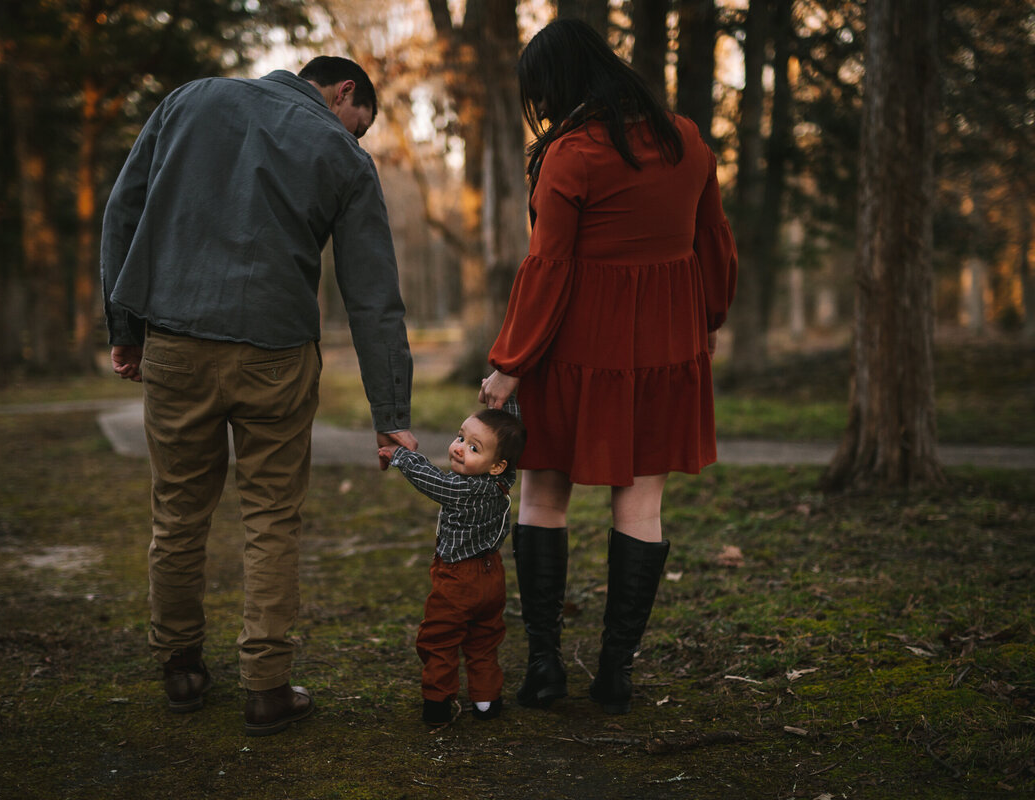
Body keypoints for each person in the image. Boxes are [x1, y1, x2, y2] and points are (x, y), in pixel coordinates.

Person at [100, 56, 418, 737]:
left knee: (179, 510)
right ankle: (268, 689)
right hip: (276, 354)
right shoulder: (342, 156)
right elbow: (373, 298)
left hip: (177, 340)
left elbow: (124, 207)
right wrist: (392, 418)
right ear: (345, 92)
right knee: (272, 518)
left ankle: (181, 668)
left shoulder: (190, 101)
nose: (355, 139)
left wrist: (125, 327)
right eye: (359, 126)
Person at [478, 19, 738, 715]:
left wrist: (509, 364)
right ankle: (615, 674)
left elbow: (547, 268)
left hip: (571, 354)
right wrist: (702, 320)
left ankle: (544, 669)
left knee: (542, 498)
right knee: (641, 503)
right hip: (663, 353)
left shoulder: (572, 153)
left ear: (557, 85)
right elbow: (714, 242)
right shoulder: (688, 139)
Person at [378, 399, 525, 726]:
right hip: (492, 576)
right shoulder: (502, 482)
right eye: (460, 438)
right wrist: (505, 399)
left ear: (497, 464)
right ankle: (487, 701)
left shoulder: (462, 489)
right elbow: (510, 440)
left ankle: (438, 704)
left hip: (458, 579)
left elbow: (434, 481)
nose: (459, 449)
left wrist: (402, 457)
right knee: (484, 639)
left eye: (474, 447)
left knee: (439, 640)